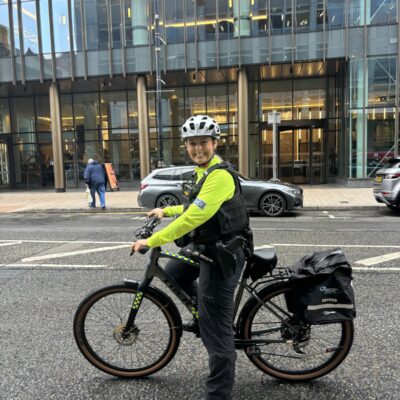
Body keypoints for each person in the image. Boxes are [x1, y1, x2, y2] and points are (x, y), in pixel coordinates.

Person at [131, 115, 251, 400]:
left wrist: (151, 240)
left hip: (225, 255)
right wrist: (165, 211)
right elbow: (191, 206)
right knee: (174, 272)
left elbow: (195, 217)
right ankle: (202, 314)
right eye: (193, 144)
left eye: (204, 143)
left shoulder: (220, 176)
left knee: (218, 334)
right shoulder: (203, 172)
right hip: (208, 248)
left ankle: (218, 395)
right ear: (186, 146)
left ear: (214, 143)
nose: (198, 149)